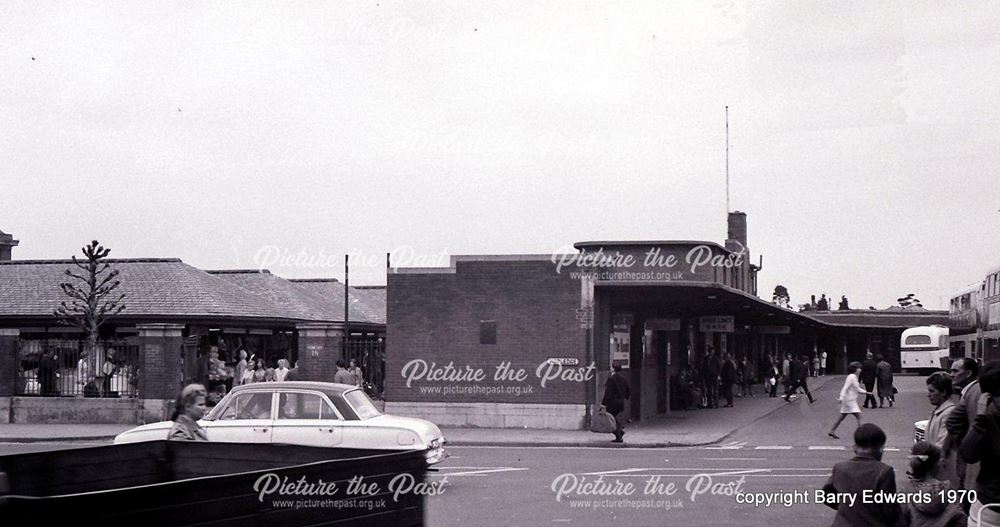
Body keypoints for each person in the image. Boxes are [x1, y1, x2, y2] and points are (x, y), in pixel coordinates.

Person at [821, 423, 899, 527]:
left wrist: (847, 508)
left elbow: (826, 495)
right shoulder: (884, 471)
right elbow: (890, 510)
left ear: (855, 447)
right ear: (880, 448)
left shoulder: (840, 468)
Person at [958, 361, 1000, 527]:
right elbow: (968, 453)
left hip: (989, 501)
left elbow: (968, 453)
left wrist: (981, 419)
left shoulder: (988, 416)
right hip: (990, 501)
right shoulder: (989, 418)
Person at [899, 441, 967, 527]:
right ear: (936, 465)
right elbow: (960, 519)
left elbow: (898, 520)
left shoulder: (906, 491)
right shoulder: (948, 490)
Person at [946, 357, 981, 493]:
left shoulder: (969, 393)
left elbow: (952, 421)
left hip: (969, 461)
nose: (951, 374)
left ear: (968, 374)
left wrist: (963, 443)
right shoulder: (976, 391)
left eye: (955, 371)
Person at [924, 371, 960, 489]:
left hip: (943, 469)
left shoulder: (948, 413)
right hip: (936, 467)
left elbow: (942, 443)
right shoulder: (939, 411)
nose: (928, 395)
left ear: (944, 392)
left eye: (932, 391)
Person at [829, 361, 872, 439]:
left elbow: (857, 389)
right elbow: (845, 387)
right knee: (859, 417)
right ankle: (862, 436)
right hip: (850, 401)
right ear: (855, 369)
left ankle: (832, 430)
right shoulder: (851, 377)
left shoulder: (854, 377)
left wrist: (866, 392)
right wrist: (841, 397)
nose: (860, 370)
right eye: (859, 368)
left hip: (848, 400)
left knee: (841, 417)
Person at [601, 364, 630, 443]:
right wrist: (624, 397)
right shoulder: (623, 379)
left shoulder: (611, 379)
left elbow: (608, 393)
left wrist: (603, 403)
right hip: (621, 403)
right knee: (613, 417)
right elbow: (628, 390)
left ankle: (619, 434)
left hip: (612, 402)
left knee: (611, 418)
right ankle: (620, 430)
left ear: (613, 369)